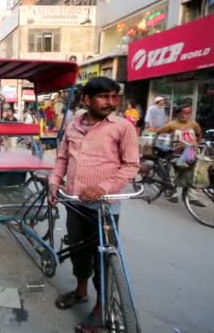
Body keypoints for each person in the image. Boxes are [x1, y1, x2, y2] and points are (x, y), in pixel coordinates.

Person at [48, 77, 139, 333]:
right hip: (75, 202)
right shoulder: (73, 126)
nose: (110, 102)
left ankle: (101, 309)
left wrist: (102, 188)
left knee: (103, 259)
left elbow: (131, 165)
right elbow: (62, 158)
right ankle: (80, 291)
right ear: (86, 100)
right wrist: (54, 183)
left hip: (105, 207)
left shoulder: (123, 128)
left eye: (114, 97)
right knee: (78, 250)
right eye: (103, 97)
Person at [156, 103, 204, 206]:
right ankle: (172, 193)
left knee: (193, 173)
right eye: (184, 113)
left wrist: (195, 144)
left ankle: (192, 197)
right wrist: (170, 137)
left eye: (188, 113)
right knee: (174, 173)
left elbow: (199, 134)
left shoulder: (193, 124)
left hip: (191, 152)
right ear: (178, 113)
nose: (186, 115)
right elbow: (158, 132)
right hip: (176, 153)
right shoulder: (171, 125)